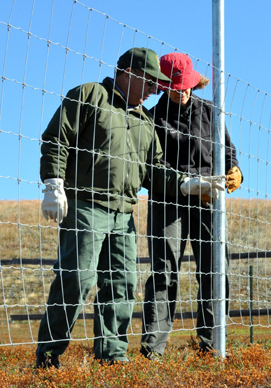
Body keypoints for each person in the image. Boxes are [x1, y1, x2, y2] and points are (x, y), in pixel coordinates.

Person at [36, 48, 225, 368]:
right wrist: (53, 183)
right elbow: (58, 137)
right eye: (151, 83)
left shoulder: (143, 122)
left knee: (121, 284)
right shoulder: (90, 95)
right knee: (77, 279)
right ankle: (49, 355)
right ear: (130, 73)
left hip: (124, 213)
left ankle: (113, 356)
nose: (155, 91)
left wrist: (186, 183)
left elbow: (154, 171)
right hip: (85, 206)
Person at [140, 52, 242, 358]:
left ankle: (211, 345)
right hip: (167, 201)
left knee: (214, 268)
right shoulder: (151, 119)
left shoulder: (211, 113)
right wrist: (183, 182)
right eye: (173, 86)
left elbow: (228, 151)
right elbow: (147, 169)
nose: (181, 91)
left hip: (209, 200)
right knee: (164, 271)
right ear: (161, 85)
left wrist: (235, 169)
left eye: (185, 85)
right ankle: (153, 350)